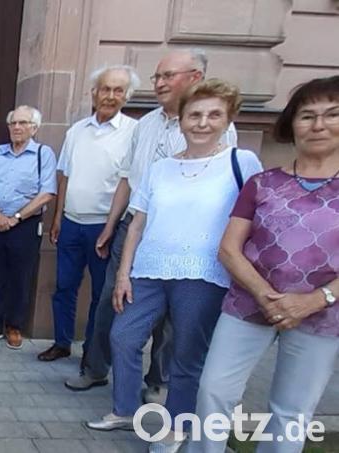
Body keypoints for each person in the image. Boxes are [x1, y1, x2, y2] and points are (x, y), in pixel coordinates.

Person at [85, 79, 263, 453]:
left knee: (185, 354)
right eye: (194, 115)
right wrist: (124, 274)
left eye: (213, 115)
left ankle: (176, 426)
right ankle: (125, 409)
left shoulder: (241, 162)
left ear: (228, 119)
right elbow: (137, 223)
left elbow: (255, 221)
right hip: (148, 270)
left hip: (203, 275)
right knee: (123, 336)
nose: (202, 123)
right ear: (181, 121)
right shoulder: (161, 168)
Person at [65, 49, 238, 399]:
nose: (158, 83)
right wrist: (111, 224)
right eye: (157, 76)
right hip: (133, 224)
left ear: (195, 77)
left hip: (180, 233)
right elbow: (127, 179)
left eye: (167, 76)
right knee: (110, 300)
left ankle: (158, 381)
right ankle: (95, 368)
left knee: (171, 315)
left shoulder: (214, 130)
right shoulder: (145, 124)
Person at [189, 76, 339, 453]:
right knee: (213, 390)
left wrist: (314, 300)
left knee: (291, 411)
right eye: (307, 116)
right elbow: (229, 248)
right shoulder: (263, 183)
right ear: (292, 124)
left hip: (320, 313)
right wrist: (265, 295)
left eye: (332, 114)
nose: (318, 125)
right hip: (248, 304)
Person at [38, 65, 140, 363]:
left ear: (127, 96)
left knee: (101, 295)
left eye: (118, 90)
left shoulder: (134, 132)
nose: (110, 96)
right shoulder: (77, 131)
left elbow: (129, 182)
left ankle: (91, 354)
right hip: (71, 223)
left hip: (104, 227)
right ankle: (61, 342)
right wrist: (57, 218)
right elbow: (65, 177)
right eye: (105, 89)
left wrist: (110, 228)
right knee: (64, 287)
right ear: (94, 93)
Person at [0, 105, 57, 349]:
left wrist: (16, 218)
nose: (17, 127)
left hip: (25, 225)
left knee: (20, 277)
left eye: (23, 123)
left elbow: (47, 192)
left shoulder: (43, 154)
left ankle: (14, 326)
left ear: (34, 128)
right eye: (13, 123)